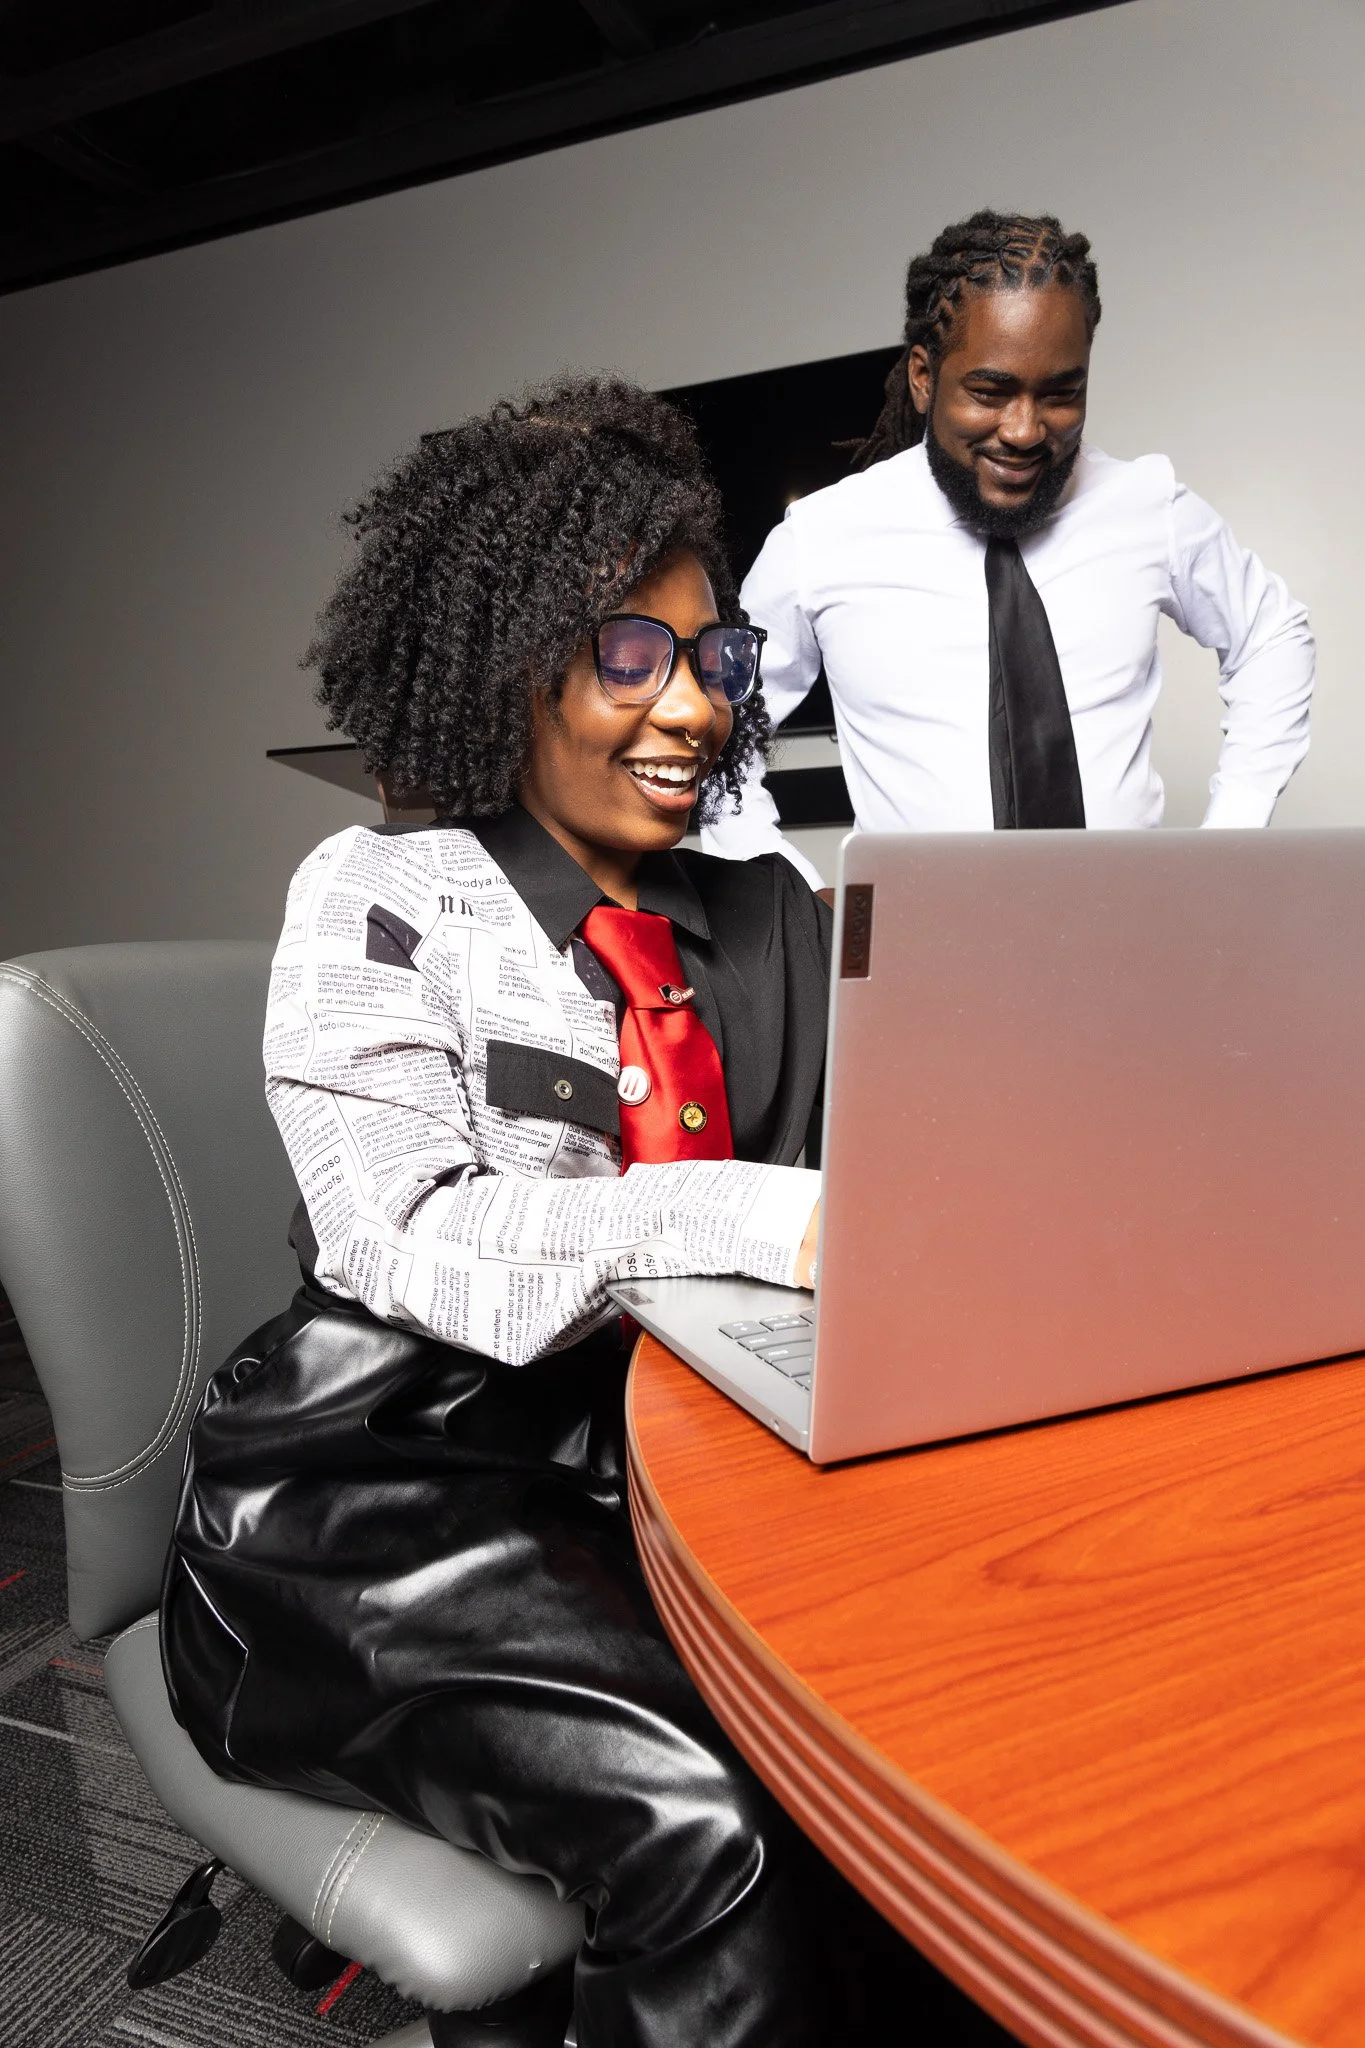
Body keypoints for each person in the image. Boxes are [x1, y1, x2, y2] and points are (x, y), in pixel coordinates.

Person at [159, 379, 1001, 2047]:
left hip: (679, 1496)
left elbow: (894, 1174)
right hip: (377, 1509)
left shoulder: (779, 913)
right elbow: (408, 1231)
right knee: (725, 1823)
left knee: (928, 1759)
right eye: (633, 652)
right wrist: (779, 1219)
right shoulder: (382, 897)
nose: (692, 704)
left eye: (719, 660)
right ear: (508, 658)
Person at [702, 209, 1315, 880]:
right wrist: (788, 892)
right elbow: (710, 721)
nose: (1024, 431)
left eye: (1059, 393)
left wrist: (1235, 831)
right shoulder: (822, 539)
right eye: (989, 391)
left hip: (1129, 932)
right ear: (921, 376)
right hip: (927, 951)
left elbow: (1270, 631)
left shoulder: (1146, 506)